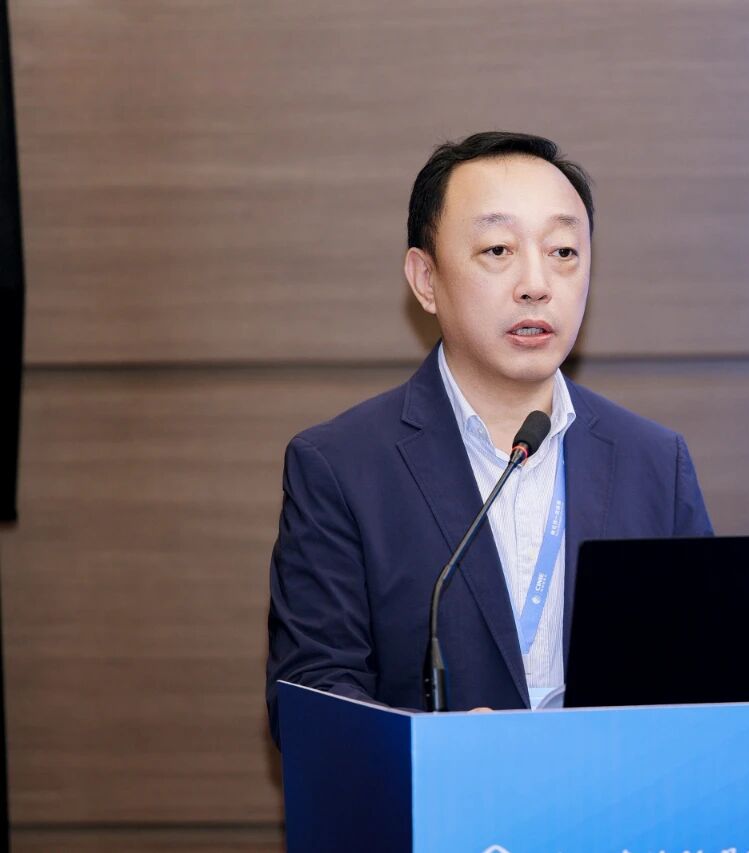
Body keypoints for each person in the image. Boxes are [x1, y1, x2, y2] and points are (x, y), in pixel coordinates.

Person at [265, 131, 714, 746]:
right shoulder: (341, 467)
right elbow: (312, 696)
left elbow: (706, 677)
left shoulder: (655, 462)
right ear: (426, 279)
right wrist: (439, 748)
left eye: (563, 251)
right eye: (498, 249)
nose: (536, 283)